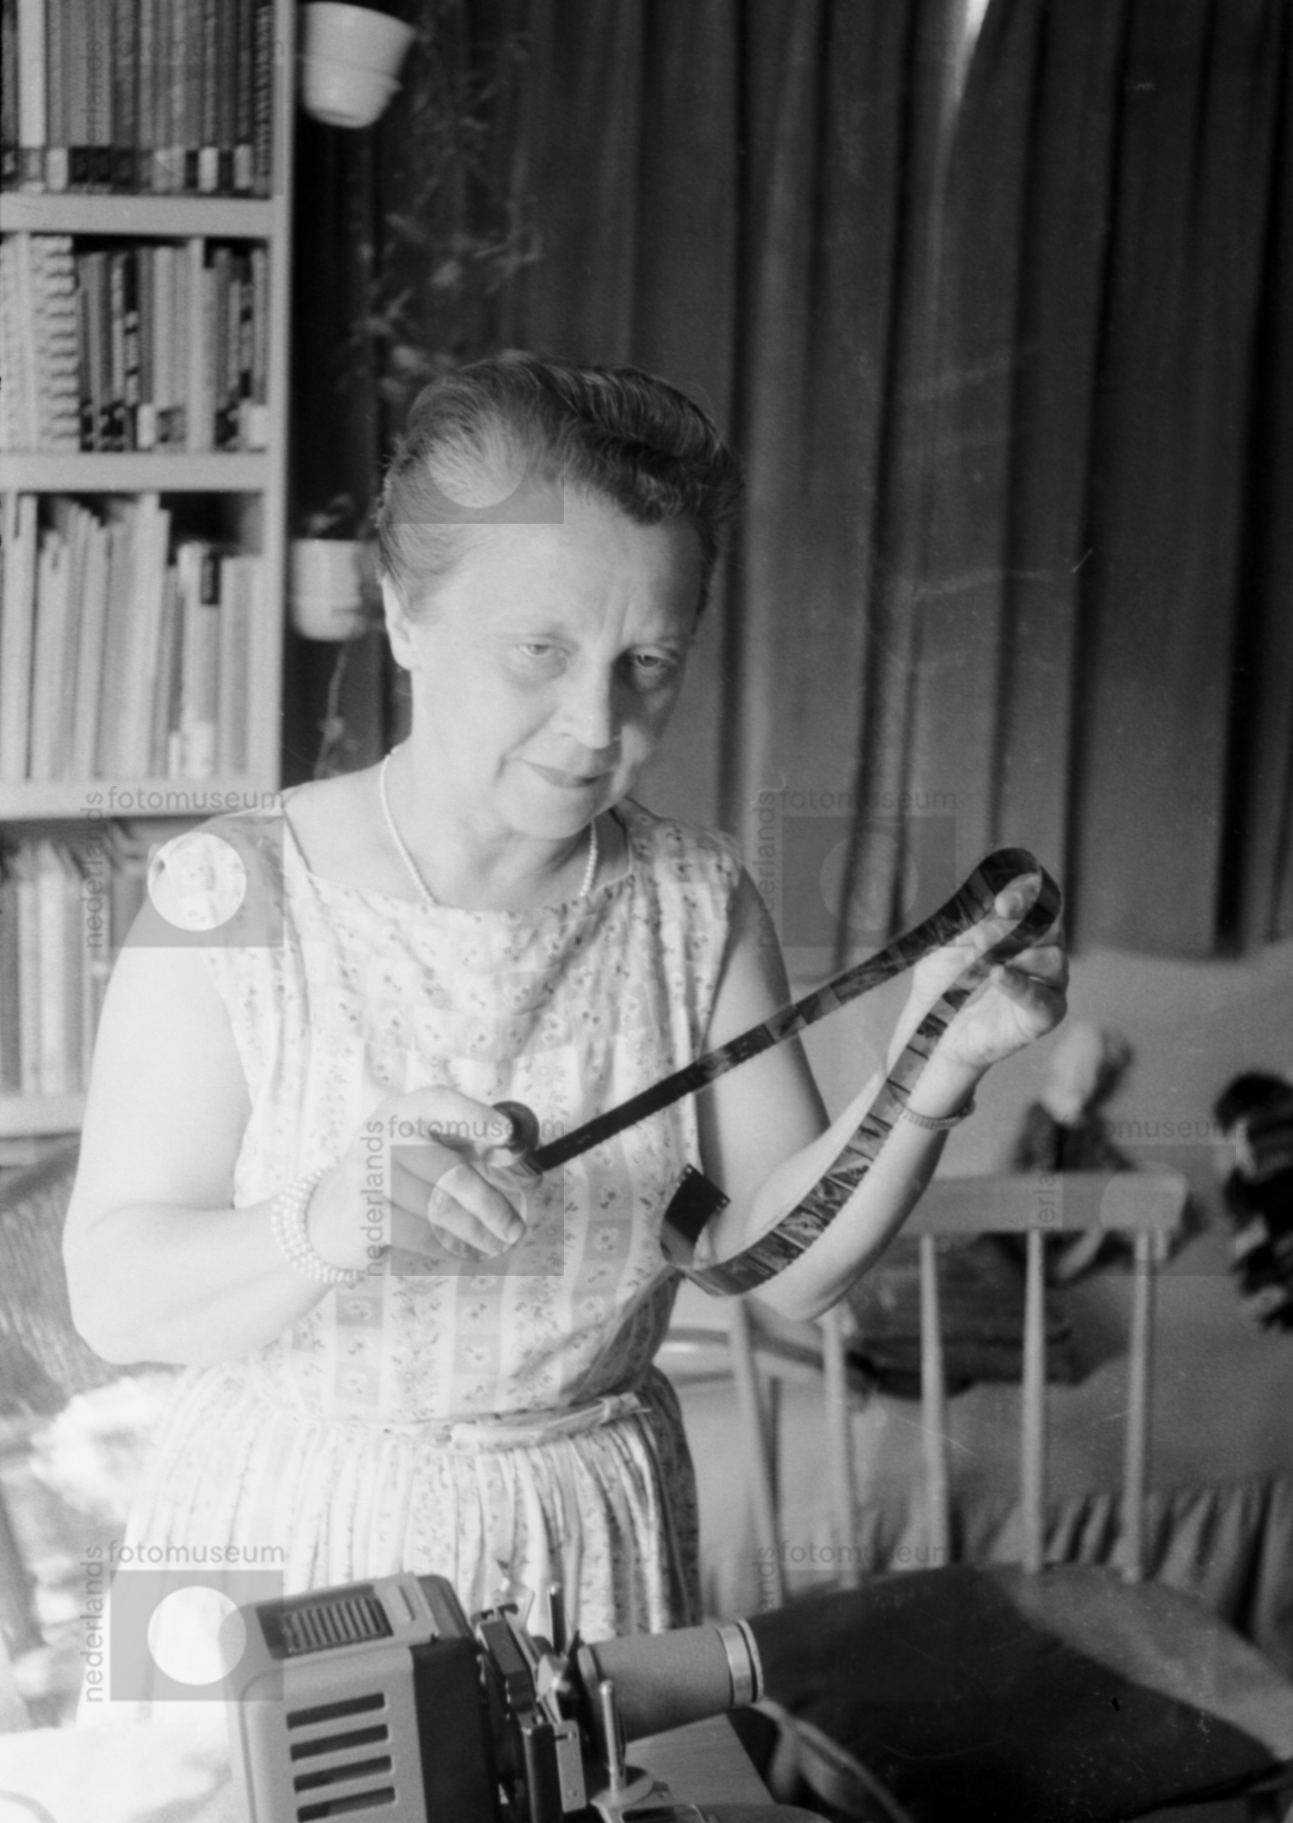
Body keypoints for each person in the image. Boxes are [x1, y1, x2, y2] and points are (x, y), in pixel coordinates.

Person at [64, 353, 1067, 1668]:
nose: (596, 722)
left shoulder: (694, 901)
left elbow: (786, 1268)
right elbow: (115, 1299)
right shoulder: (227, 892)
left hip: (585, 1555)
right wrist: (325, 1221)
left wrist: (932, 1066)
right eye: (538, 650)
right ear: (404, 614)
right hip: (277, 1551)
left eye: (648, 660)